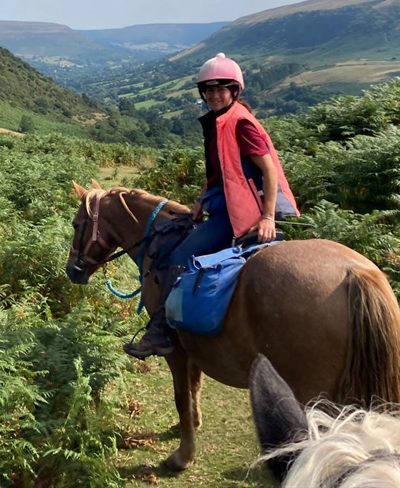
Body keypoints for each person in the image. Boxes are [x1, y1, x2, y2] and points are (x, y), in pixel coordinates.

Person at [124, 53, 300, 359]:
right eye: (210, 91)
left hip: (238, 213)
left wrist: (267, 217)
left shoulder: (241, 123)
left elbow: (269, 169)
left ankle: (160, 334)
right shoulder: (221, 121)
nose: (215, 95)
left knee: (178, 255)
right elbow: (222, 171)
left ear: (234, 91)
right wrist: (200, 201)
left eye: (222, 89)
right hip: (221, 204)